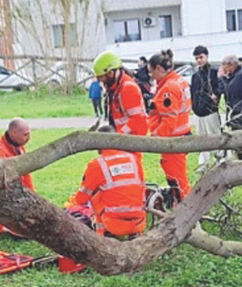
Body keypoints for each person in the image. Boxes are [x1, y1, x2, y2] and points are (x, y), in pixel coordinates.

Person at [69, 127, 147, 239]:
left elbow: (81, 199)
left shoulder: (97, 165)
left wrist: (74, 202)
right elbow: (142, 186)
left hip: (113, 224)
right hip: (139, 222)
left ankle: (101, 237)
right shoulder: (133, 159)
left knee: (95, 196)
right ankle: (134, 234)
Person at [147, 49, 192, 199]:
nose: (151, 77)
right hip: (179, 137)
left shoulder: (168, 88)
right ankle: (183, 207)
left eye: (151, 72)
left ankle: (186, 211)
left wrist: (156, 138)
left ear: (159, 69)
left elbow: (169, 121)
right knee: (178, 179)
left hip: (173, 140)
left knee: (177, 181)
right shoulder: (178, 80)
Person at [93, 51, 148, 139]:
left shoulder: (127, 88)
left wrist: (118, 136)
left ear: (110, 73)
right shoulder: (115, 88)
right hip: (124, 138)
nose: (100, 81)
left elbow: (137, 120)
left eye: (101, 77)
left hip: (131, 140)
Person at [190, 45, 224, 167]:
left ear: (206, 57)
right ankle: (203, 163)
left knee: (215, 136)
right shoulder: (195, 76)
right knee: (201, 138)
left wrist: (216, 95)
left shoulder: (213, 73)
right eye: (197, 58)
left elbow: (220, 87)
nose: (199, 60)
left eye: (201, 57)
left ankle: (220, 159)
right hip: (198, 112)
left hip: (210, 111)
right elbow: (193, 92)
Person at [220, 54, 242, 159]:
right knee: (237, 145)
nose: (222, 68)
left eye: (223, 65)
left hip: (241, 115)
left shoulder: (240, 76)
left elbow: (230, 91)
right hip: (235, 114)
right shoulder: (234, 75)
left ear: (231, 65)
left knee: (240, 145)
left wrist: (221, 78)